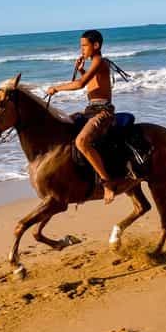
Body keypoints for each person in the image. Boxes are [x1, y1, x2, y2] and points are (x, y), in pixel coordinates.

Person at [46, 30, 131, 204]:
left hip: (103, 112)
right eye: (81, 46)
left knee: (81, 142)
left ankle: (107, 183)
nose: (82, 49)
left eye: (84, 45)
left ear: (96, 45)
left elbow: (81, 84)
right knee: (64, 125)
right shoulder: (95, 63)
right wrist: (81, 69)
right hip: (91, 110)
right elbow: (92, 82)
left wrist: (57, 88)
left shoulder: (99, 61)